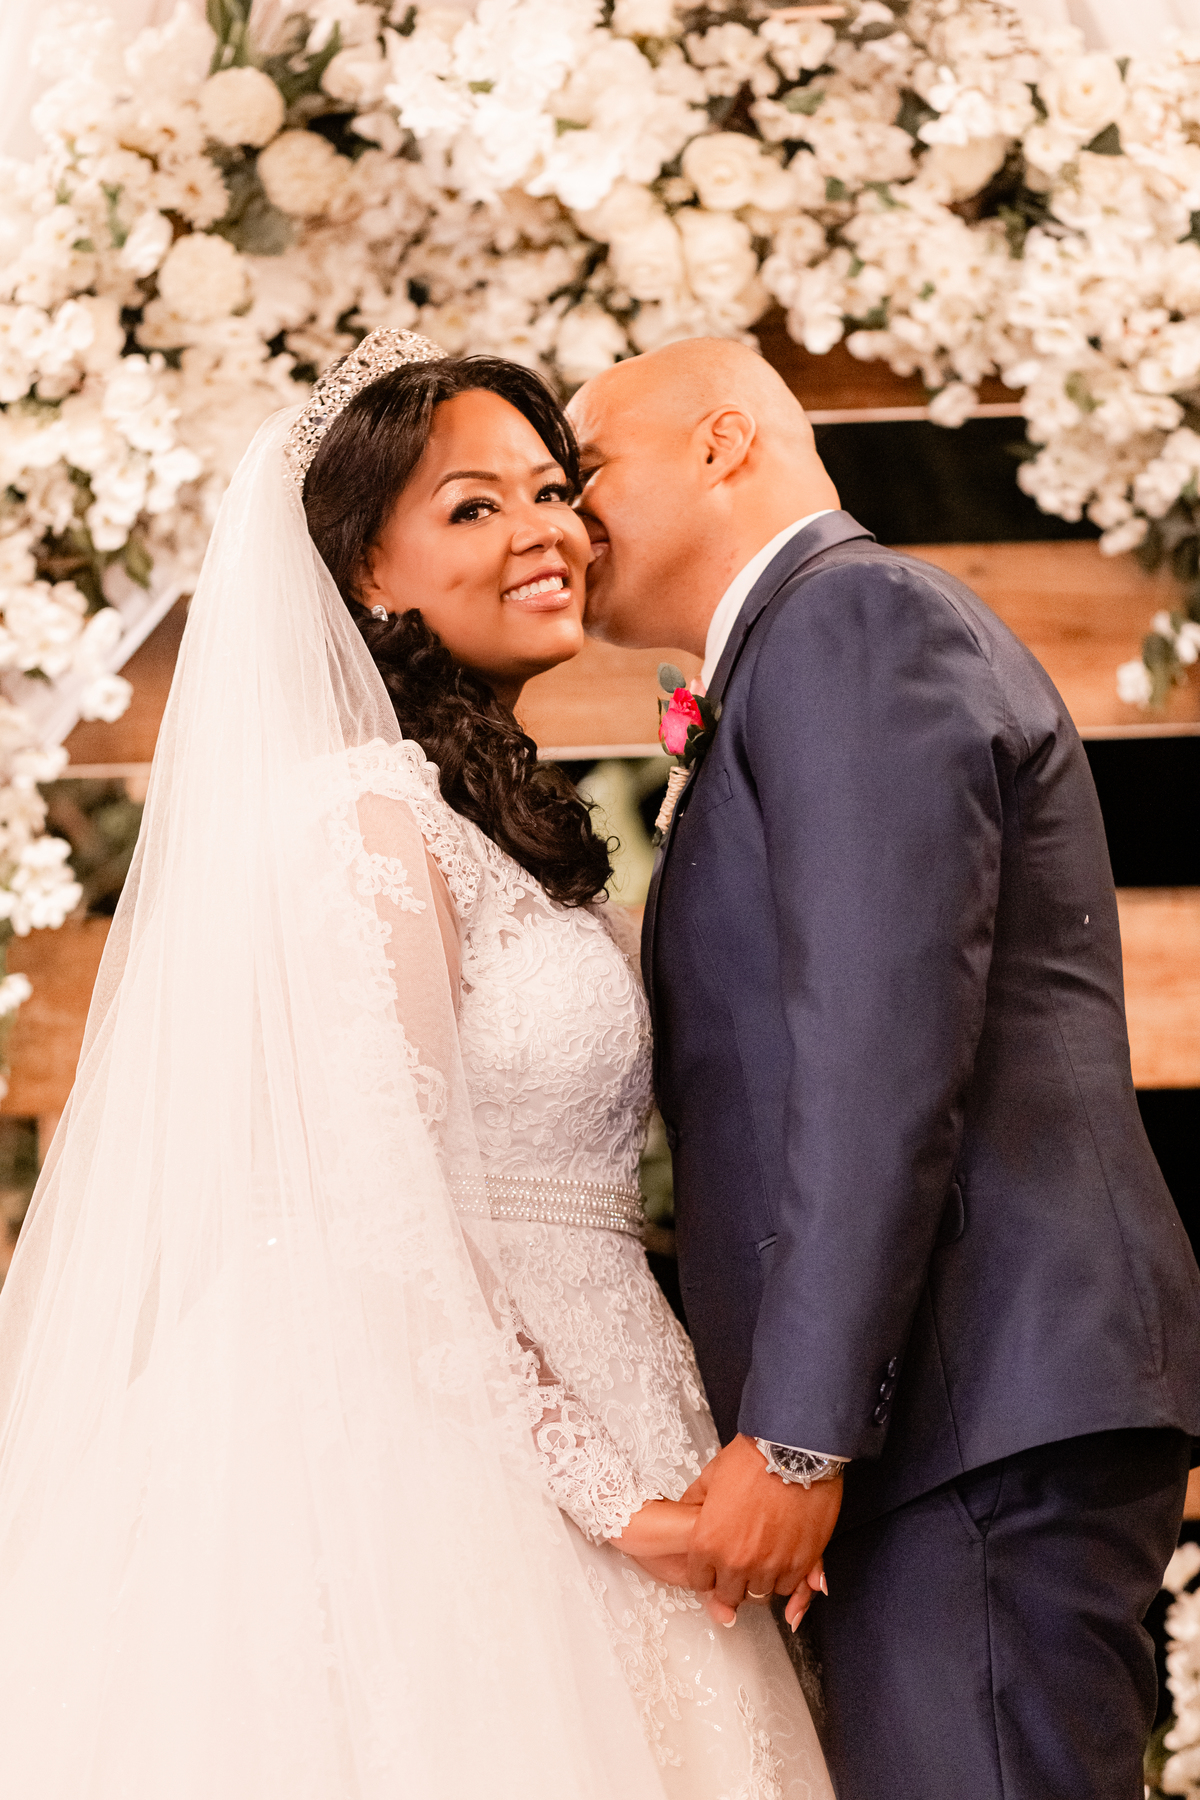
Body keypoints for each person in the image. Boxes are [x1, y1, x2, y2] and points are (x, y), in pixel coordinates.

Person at [0, 328, 831, 1800]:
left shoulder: (486, 821)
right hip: (463, 1461)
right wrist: (612, 1502)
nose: (546, 533)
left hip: (617, 1386)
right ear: (369, 580)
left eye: (550, 490)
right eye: (473, 506)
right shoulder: (365, 823)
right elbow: (384, 1208)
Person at [566, 335, 1200, 1800]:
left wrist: (793, 1437)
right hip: (941, 1412)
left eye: (588, 465)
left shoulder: (853, 625)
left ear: (725, 444)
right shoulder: (804, 648)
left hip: (972, 1405)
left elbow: (880, 1044)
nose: (567, 512)